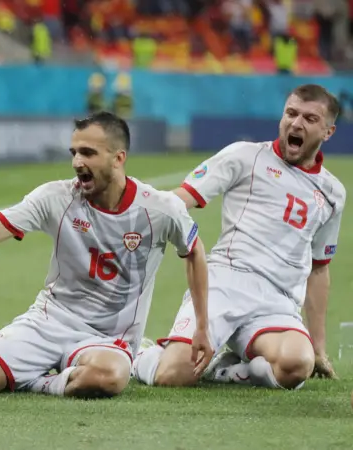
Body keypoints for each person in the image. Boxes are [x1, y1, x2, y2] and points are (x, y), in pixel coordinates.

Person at [0, 111, 213, 398]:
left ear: (118, 158)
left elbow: (195, 251)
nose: (77, 162)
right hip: (49, 322)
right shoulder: (56, 197)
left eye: (88, 153)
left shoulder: (160, 209)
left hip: (109, 338)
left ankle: (35, 380)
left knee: (107, 378)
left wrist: (201, 326)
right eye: (74, 152)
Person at [133, 84, 345, 390]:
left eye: (310, 119)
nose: (296, 124)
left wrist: (320, 348)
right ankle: (141, 354)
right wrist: (135, 208)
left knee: (297, 364)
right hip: (224, 285)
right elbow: (183, 197)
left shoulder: (333, 193)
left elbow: (320, 266)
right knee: (173, 374)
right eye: (291, 113)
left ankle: (224, 370)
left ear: (328, 132)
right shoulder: (246, 156)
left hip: (277, 302)